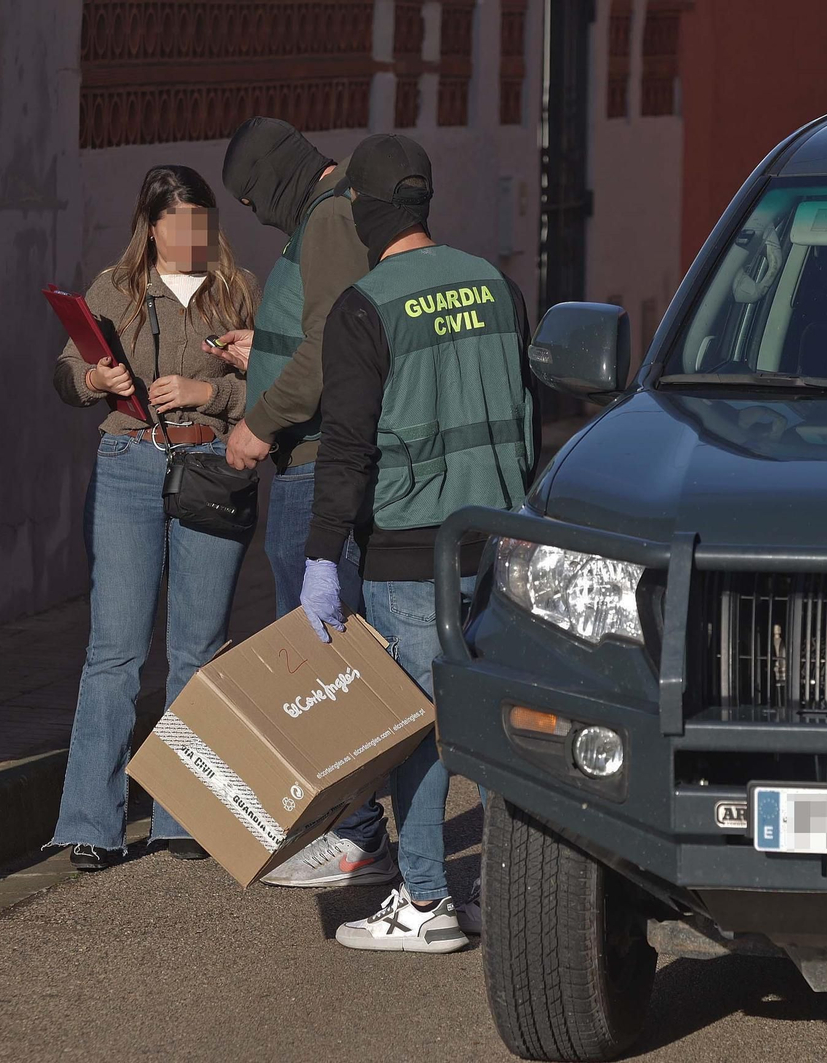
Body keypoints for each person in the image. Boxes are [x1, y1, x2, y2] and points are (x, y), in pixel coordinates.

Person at [301, 134, 539, 952]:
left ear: (367, 212)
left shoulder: (365, 306)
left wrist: (322, 554)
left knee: (423, 727)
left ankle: (428, 898)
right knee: (500, 726)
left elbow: (346, 448)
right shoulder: (498, 286)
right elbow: (528, 413)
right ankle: (495, 892)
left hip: (410, 550)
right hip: (501, 544)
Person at [49, 165, 260, 872]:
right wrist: (93, 380)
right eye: (176, 222)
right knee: (115, 649)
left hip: (209, 469)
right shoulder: (116, 287)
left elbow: (278, 383)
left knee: (198, 652)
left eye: (201, 221)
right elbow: (65, 371)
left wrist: (213, 390)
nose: (189, 236)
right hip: (129, 466)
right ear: (151, 224)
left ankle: (183, 814)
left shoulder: (237, 290)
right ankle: (90, 822)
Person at [215, 117, 394, 889]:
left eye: (253, 195)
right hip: (314, 456)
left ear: (277, 175)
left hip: (314, 460)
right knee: (334, 652)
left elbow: (334, 343)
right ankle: (358, 828)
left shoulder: (326, 219)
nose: (254, 212)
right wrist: (266, 350)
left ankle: (357, 835)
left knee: (326, 660)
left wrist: (259, 418)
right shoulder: (330, 213)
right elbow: (320, 332)